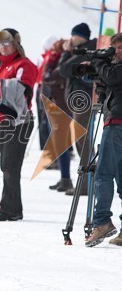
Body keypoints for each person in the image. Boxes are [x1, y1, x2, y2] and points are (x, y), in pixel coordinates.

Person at [0, 28, 37, 221]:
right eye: (0, 44)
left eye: (7, 43)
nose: (3, 47)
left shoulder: (24, 64)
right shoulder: (3, 66)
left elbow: (20, 93)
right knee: (6, 165)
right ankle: (10, 205)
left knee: (10, 166)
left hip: (18, 122)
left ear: (16, 45)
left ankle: (11, 209)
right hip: (4, 123)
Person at [84, 33, 122, 247]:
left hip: (117, 123)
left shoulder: (116, 69)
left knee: (104, 174)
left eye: (120, 48)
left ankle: (102, 222)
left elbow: (114, 78)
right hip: (116, 122)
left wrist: (99, 62)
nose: (116, 52)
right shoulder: (114, 68)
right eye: (114, 48)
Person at [58, 23, 97, 196]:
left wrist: (67, 52)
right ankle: (87, 183)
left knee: (83, 141)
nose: (71, 39)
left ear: (81, 37)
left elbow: (64, 69)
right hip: (78, 99)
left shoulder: (86, 50)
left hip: (83, 100)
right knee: (82, 141)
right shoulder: (83, 50)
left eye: (74, 35)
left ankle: (87, 184)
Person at [41, 38, 74, 192]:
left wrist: (52, 63)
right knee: (58, 144)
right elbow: (46, 77)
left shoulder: (66, 62)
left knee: (61, 144)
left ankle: (66, 178)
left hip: (62, 106)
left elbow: (50, 77)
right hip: (54, 105)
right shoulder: (57, 60)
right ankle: (64, 177)